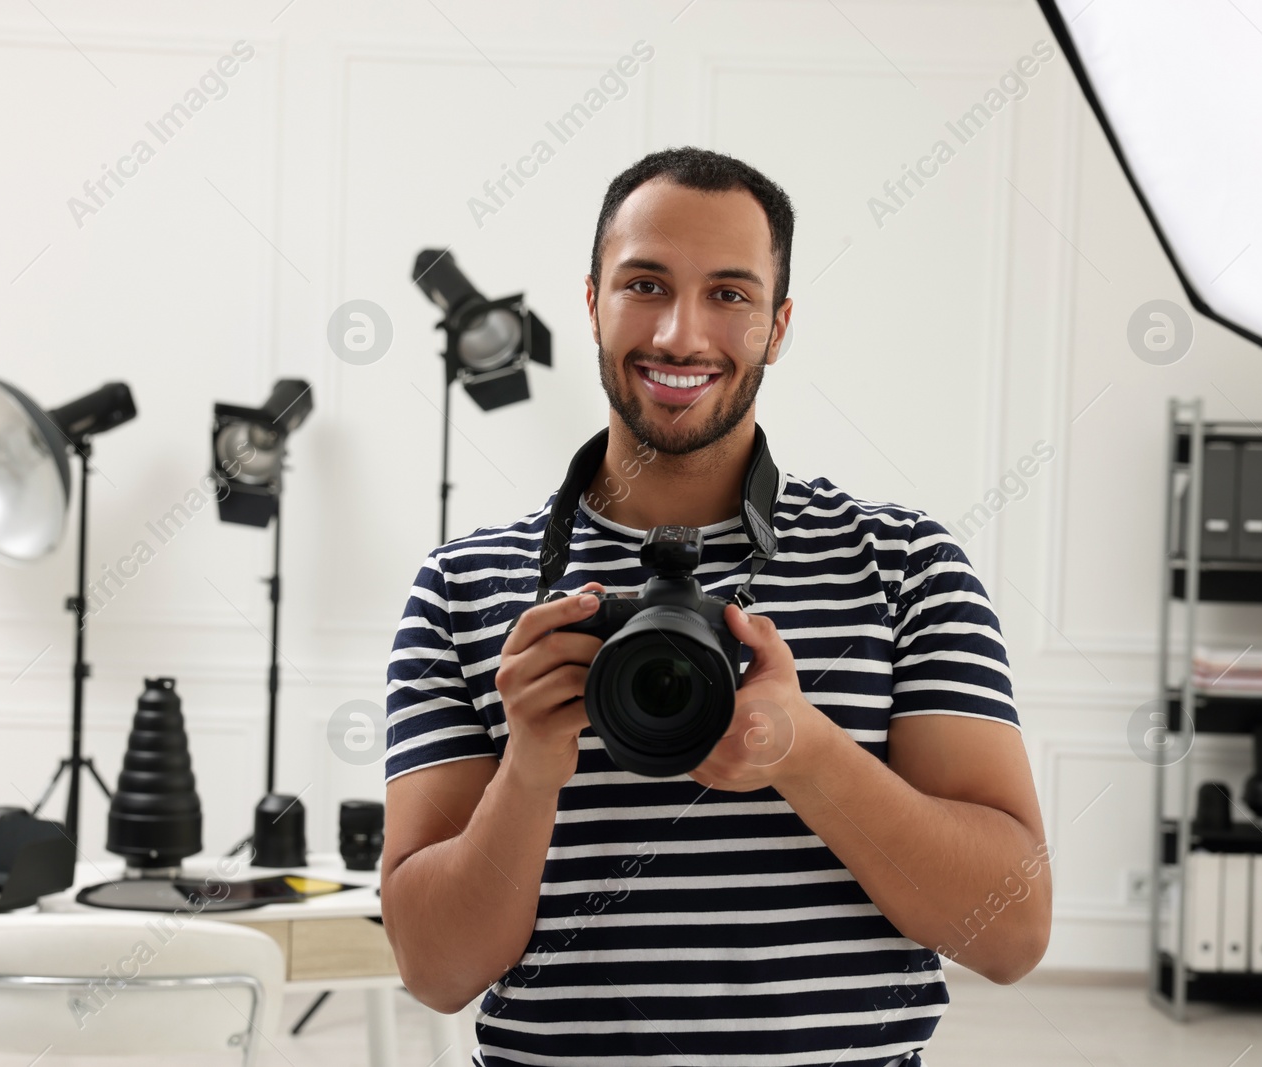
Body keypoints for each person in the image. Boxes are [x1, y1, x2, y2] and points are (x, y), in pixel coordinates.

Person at [380, 146, 1050, 1066]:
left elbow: (1011, 933)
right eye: (645, 284)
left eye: (730, 295)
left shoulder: (905, 565)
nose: (681, 335)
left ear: (778, 326)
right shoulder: (463, 587)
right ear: (591, 303)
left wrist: (807, 754)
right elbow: (435, 969)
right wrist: (530, 767)